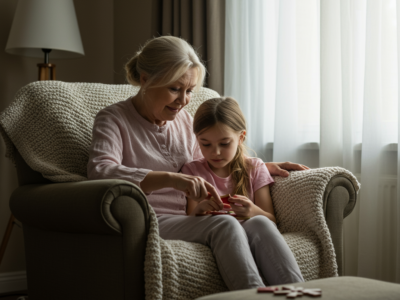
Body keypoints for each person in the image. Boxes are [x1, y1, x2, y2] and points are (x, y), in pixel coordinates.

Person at [87, 35, 308, 291]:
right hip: (151, 219)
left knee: (257, 222)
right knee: (224, 224)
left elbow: (209, 159)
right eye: (174, 89)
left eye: (189, 91)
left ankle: (299, 294)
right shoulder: (113, 119)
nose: (183, 101)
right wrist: (171, 178)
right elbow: (101, 171)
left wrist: (255, 164)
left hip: (191, 218)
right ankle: (252, 297)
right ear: (146, 79)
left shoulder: (181, 121)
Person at [181, 96, 304, 285]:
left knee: (260, 223)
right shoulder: (192, 171)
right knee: (233, 225)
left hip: (252, 229)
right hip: (217, 234)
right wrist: (201, 209)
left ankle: (296, 291)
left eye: (224, 143)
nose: (216, 152)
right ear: (197, 140)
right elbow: (191, 219)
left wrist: (252, 211)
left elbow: (270, 218)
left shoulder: (254, 168)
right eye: (206, 144)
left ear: (241, 137)